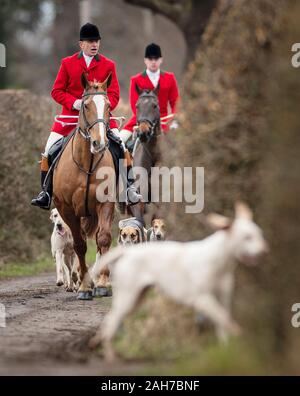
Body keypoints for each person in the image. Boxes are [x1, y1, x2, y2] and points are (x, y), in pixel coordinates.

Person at [31, 23, 141, 210]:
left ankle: (129, 189)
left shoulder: (108, 65)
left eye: (97, 41)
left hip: (100, 119)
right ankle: (46, 193)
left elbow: (113, 94)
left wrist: (103, 107)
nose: (94, 44)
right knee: (48, 150)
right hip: (70, 119)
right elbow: (56, 91)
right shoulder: (68, 63)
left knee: (122, 147)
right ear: (81, 44)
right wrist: (74, 102)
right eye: (90, 41)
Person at [119, 43, 180, 145]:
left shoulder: (170, 78)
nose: (153, 62)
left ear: (161, 60)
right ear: (145, 60)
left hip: (163, 121)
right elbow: (135, 105)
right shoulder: (136, 80)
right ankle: (121, 161)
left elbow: (176, 103)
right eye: (150, 59)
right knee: (120, 142)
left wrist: (174, 121)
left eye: (156, 58)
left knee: (181, 144)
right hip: (141, 120)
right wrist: (143, 121)